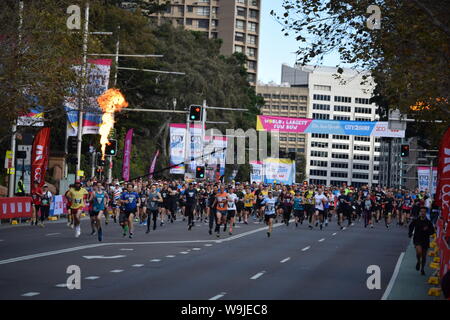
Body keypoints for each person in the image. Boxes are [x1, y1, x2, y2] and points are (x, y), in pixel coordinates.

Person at [408, 207, 436, 275]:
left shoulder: (428, 222)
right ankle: (418, 261)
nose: (422, 213)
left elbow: (432, 231)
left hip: (425, 240)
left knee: (424, 256)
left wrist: (427, 230)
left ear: (426, 213)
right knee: (419, 252)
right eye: (421, 211)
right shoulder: (416, 220)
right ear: (420, 212)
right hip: (417, 239)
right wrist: (410, 233)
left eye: (424, 212)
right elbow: (411, 226)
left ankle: (422, 269)